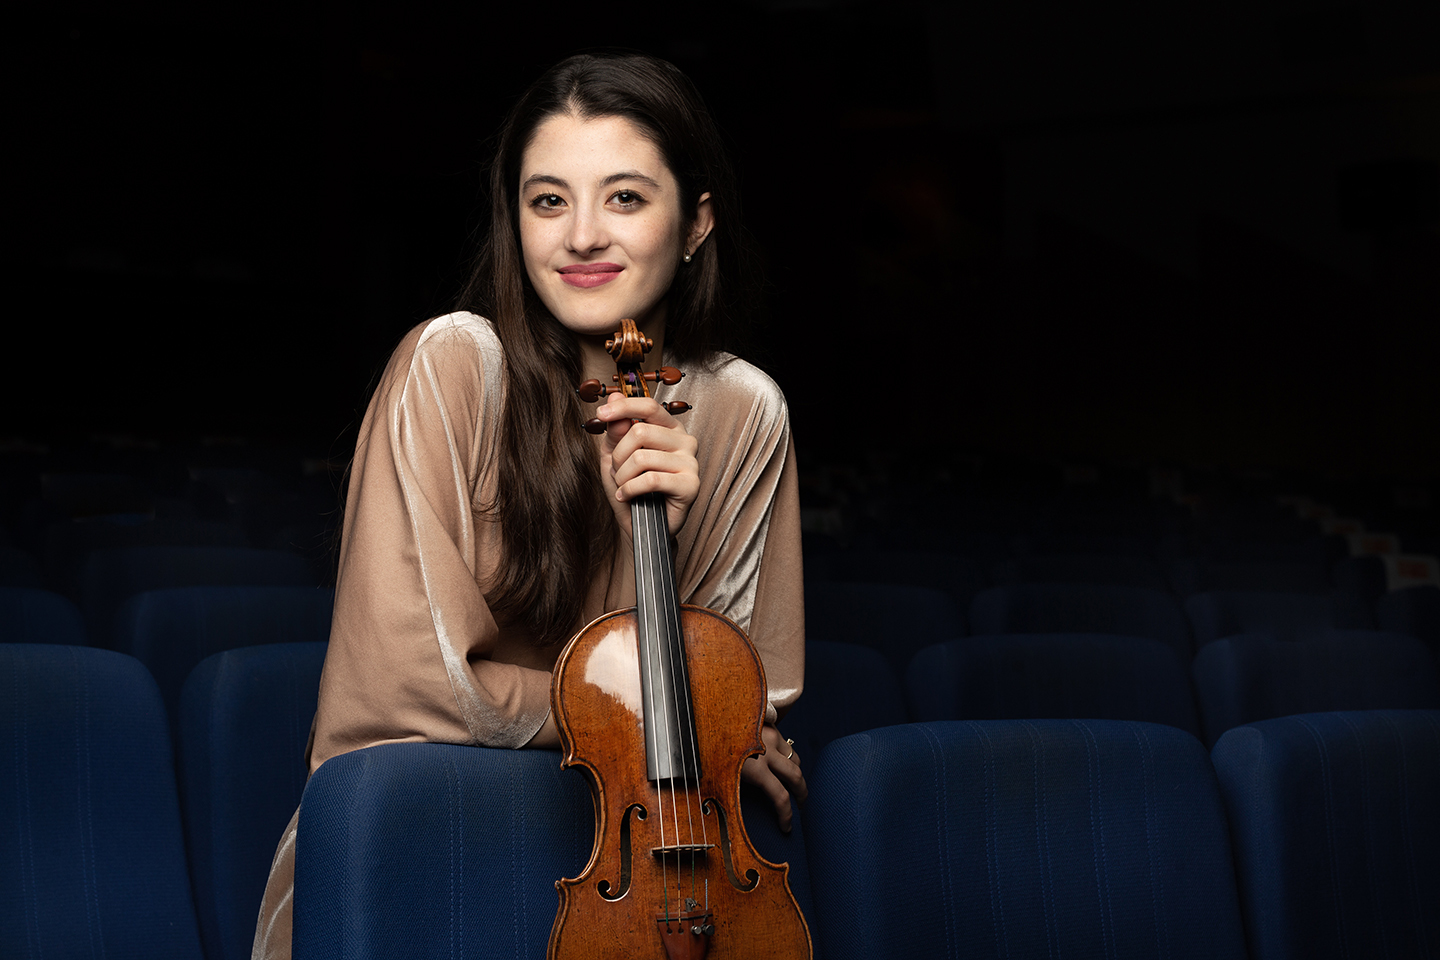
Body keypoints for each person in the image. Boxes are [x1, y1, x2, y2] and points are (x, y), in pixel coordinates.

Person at [252, 52, 806, 959]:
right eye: (548, 201)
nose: (582, 235)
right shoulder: (453, 368)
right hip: (429, 848)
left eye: (625, 198)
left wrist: (656, 541)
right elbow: (406, 687)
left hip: (655, 869)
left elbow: (745, 704)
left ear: (696, 221)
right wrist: (653, 714)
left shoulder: (746, 413)